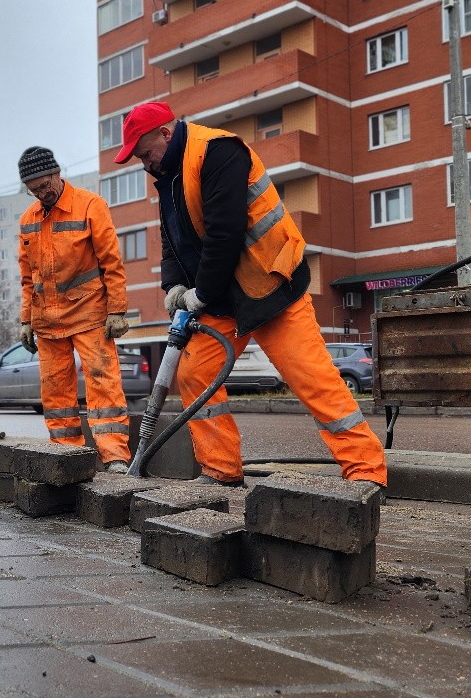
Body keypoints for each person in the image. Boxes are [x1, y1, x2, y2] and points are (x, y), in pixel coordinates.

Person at [114, 102, 387, 490]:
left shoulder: (219, 151)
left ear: (165, 133)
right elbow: (172, 239)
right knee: (195, 374)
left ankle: (366, 472)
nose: (144, 164)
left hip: (271, 288)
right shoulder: (170, 174)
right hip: (223, 300)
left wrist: (201, 293)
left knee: (314, 380)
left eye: (144, 153)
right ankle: (220, 469)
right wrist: (173, 286)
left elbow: (224, 234)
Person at [17, 146, 133, 472]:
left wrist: (117, 310)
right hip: (46, 320)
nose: (42, 194)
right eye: (34, 190)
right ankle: (66, 456)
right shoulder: (28, 220)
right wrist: (25, 319)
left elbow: (112, 260)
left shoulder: (90, 205)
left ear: (56, 173)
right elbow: (28, 277)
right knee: (55, 393)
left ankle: (114, 457)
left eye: (44, 185)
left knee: (103, 382)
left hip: (89, 312)